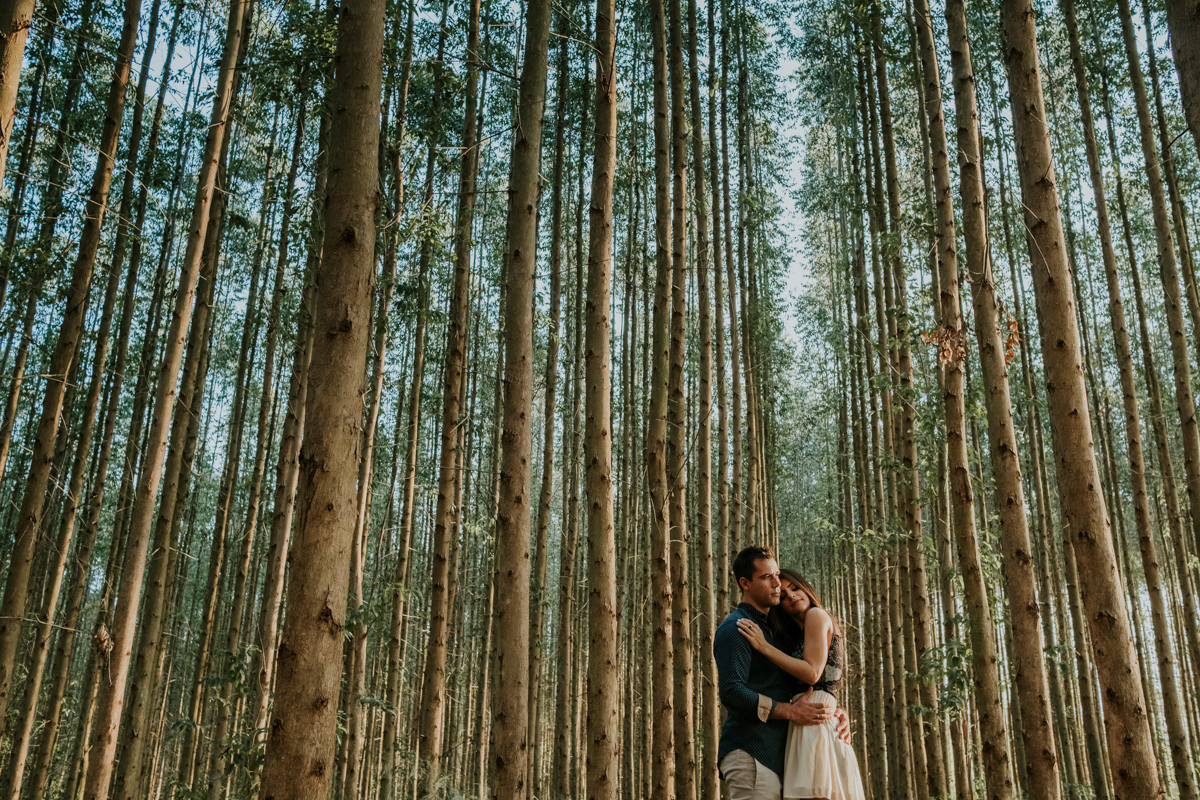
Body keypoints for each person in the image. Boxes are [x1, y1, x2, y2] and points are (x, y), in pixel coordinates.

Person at [714, 547, 851, 800]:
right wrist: (789, 710)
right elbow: (732, 692)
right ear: (745, 583)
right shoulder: (738, 629)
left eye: (777, 575)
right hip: (751, 752)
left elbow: (807, 677)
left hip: (782, 754)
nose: (777, 584)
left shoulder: (776, 634)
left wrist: (834, 710)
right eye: (767, 577)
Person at [737, 567, 866, 800]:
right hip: (805, 723)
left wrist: (764, 647)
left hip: (815, 727)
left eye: (795, 588)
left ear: (806, 588)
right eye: (783, 596)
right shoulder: (798, 634)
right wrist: (839, 709)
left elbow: (813, 673)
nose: (792, 596)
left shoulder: (816, 615)